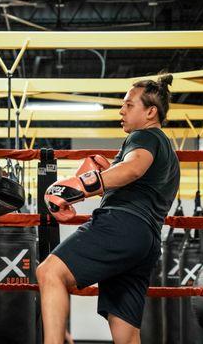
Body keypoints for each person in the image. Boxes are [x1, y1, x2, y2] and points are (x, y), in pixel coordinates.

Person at [38, 74, 180, 344]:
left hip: (121, 226)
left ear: (151, 112)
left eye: (128, 105)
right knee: (126, 334)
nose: (121, 110)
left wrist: (79, 186)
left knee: (50, 272)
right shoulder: (167, 152)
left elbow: (134, 168)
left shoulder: (145, 137)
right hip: (145, 242)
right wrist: (107, 173)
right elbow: (137, 176)